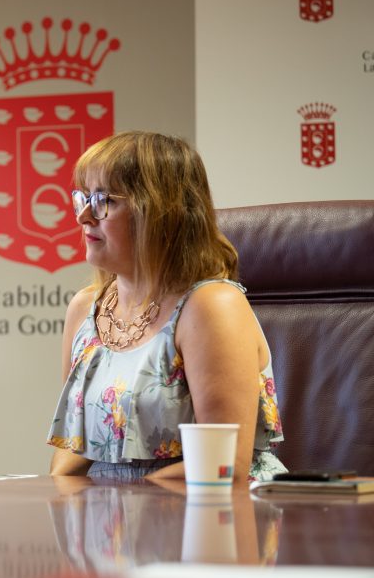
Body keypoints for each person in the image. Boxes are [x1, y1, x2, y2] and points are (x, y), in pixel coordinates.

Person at [46, 131, 285, 482]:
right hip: (114, 521)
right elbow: (71, 452)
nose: (83, 217)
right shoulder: (84, 308)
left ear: (158, 212)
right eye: (81, 198)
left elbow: (225, 464)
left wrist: (125, 510)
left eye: (102, 201)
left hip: (210, 515)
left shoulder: (211, 305)